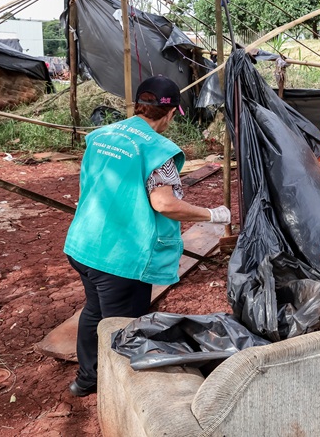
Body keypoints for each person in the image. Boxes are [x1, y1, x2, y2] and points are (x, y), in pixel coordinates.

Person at [63, 76, 231, 397]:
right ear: (168, 114)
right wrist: (211, 215)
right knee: (124, 326)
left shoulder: (101, 135)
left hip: (83, 245)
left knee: (95, 311)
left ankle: (86, 380)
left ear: (140, 104)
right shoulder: (157, 150)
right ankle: (120, 393)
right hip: (119, 258)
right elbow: (164, 203)